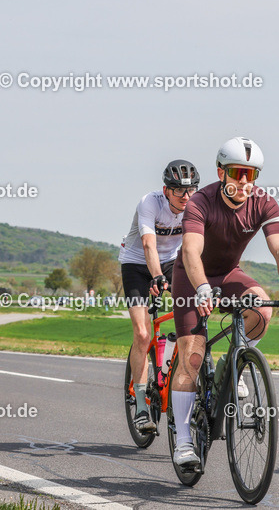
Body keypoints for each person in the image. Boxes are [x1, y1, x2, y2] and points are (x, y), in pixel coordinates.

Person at [169, 137, 279, 470]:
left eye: (251, 174)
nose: (244, 182)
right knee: (193, 356)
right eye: (237, 173)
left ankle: (236, 361)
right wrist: (200, 287)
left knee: (263, 306)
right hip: (191, 276)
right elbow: (190, 251)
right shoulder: (201, 201)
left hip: (228, 274)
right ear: (221, 172)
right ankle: (184, 440)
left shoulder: (264, 203)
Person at [119, 159, 200, 433]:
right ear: (166, 190)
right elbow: (147, 244)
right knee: (142, 334)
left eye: (191, 191)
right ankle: (141, 406)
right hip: (137, 263)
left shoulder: (196, 206)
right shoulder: (150, 203)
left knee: (195, 314)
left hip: (171, 262)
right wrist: (156, 277)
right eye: (180, 191)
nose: (187, 197)